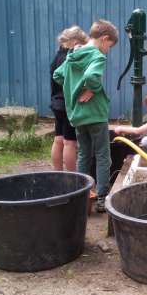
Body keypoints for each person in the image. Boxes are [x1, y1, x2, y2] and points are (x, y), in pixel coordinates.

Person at [53, 19, 118, 213]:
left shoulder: (73, 55)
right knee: (102, 156)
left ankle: (82, 194)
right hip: (95, 114)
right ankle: (101, 198)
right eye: (110, 46)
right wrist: (91, 88)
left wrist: (74, 86)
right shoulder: (97, 56)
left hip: (78, 116)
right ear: (104, 39)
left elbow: (58, 75)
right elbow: (91, 77)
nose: (108, 50)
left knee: (83, 155)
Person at [50, 26, 88, 171]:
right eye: (82, 43)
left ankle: (58, 174)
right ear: (74, 41)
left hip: (56, 103)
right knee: (70, 143)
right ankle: (73, 178)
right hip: (68, 105)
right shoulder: (70, 58)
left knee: (58, 140)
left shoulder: (57, 56)